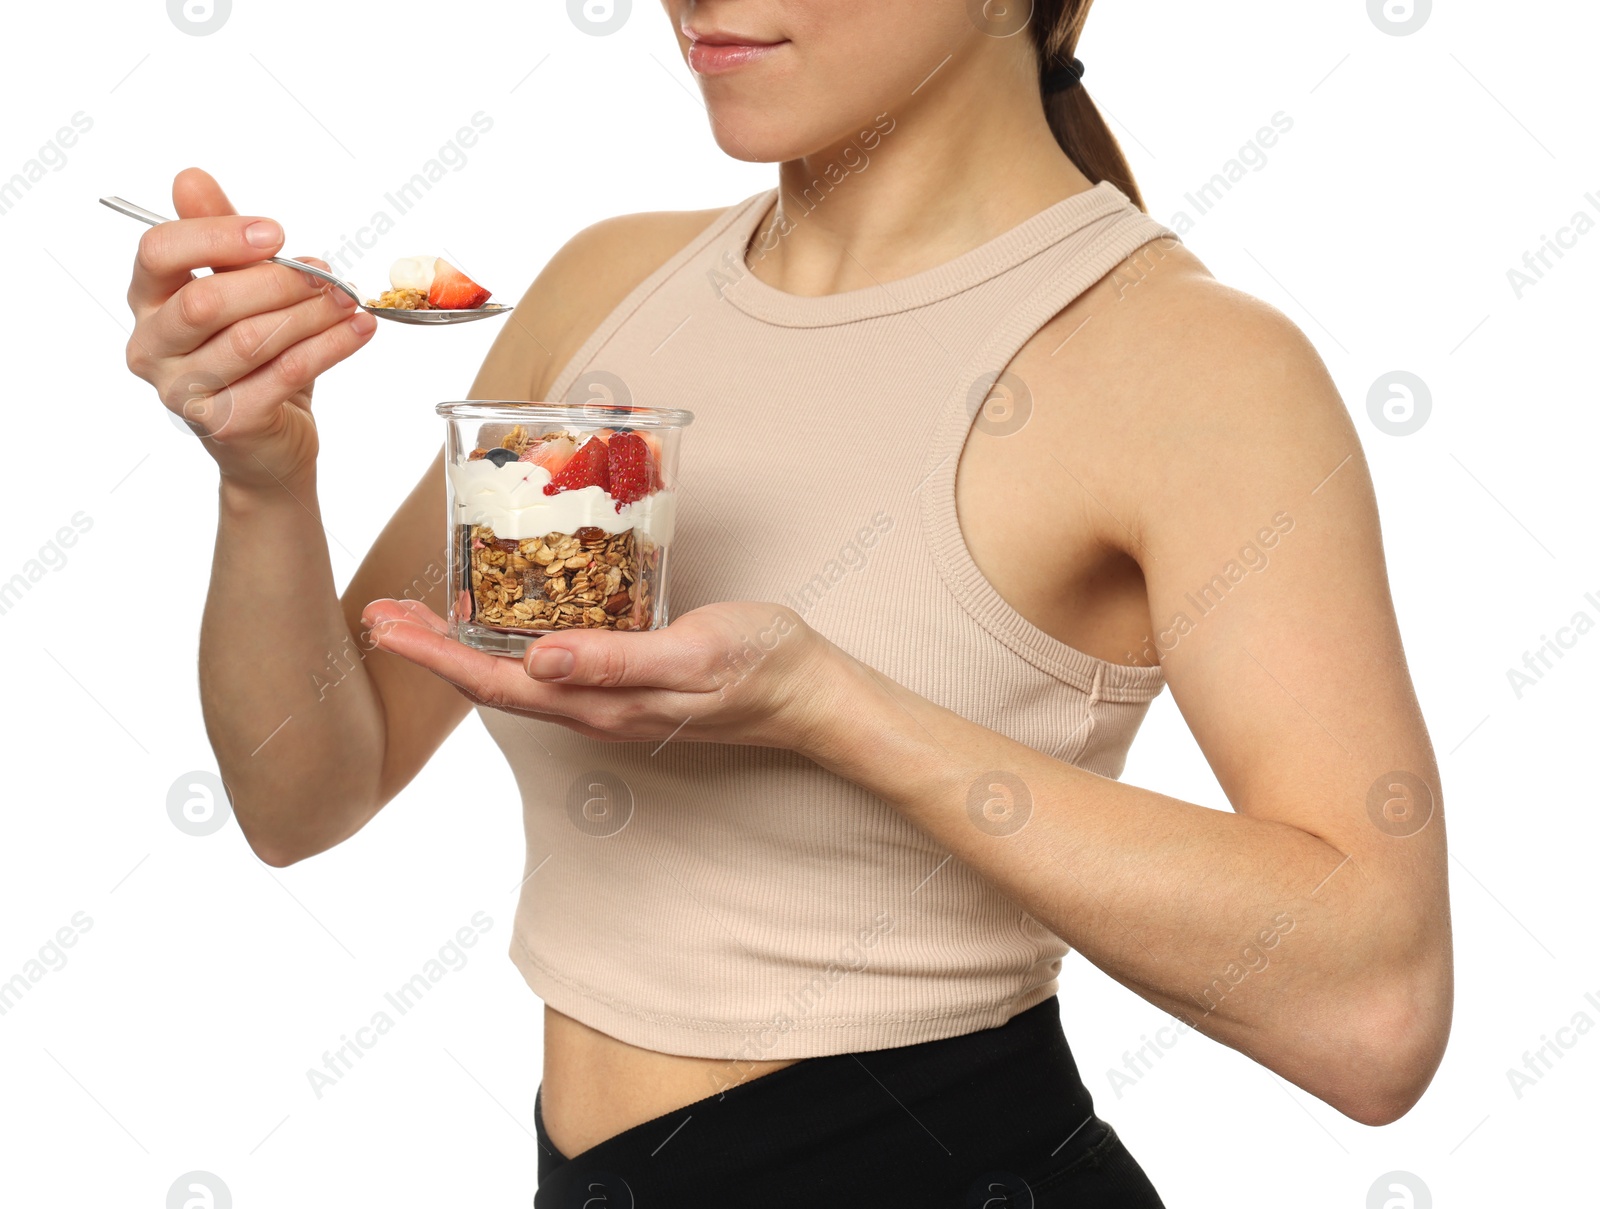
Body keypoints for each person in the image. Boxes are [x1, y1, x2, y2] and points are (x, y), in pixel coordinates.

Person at [120, 1, 1452, 1204]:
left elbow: (1376, 1009)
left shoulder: (1187, 362)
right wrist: (265, 482)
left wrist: (831, 708)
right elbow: (305, 793)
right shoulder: (602, 290)